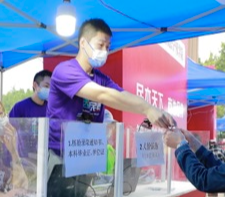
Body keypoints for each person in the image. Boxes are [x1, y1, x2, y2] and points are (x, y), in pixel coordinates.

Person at [47, 18, 175, 157]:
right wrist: (147, 108)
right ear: (83, 43)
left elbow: (122, 96)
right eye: (100, 45)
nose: (105, 51)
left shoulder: (101, 78)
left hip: (87, 154)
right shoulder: (65, 71)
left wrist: (157, 111)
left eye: (108, 47)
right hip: (59, 154)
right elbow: (103, 95)